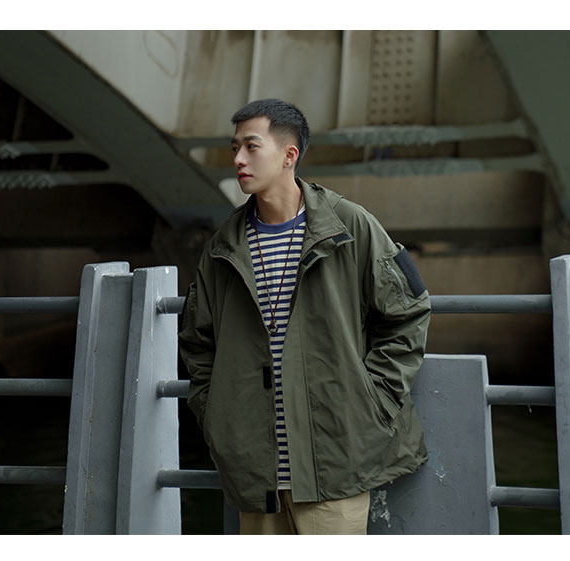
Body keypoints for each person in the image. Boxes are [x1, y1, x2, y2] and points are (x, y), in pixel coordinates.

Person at [178, 98, 431, 534]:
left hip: (333, 467)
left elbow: (408, 314)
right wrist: (216, 413)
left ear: (288, 155)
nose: (238, 159)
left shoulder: (349, 226)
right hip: (254, 474)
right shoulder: (224, 246)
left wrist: (373, 402)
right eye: (235, 148)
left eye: (251, 146)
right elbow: (197, 342)